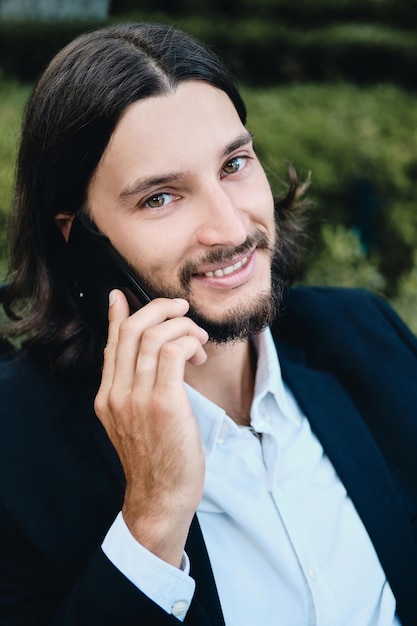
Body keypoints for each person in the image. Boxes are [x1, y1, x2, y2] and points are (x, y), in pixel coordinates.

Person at [1, 22, 417, 626]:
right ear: (79, 240)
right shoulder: (17, 448)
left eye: (234, 165)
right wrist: (153, 518)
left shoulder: (364, 333)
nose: (230, 229)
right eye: (160, 198)